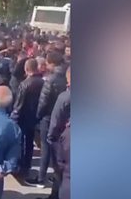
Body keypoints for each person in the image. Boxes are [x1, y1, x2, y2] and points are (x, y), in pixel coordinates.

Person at [29, 51, 67, 189]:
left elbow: (43, 102)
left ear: (51, 63)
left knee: (45, 148)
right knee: (57, 149)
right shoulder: (66, 76)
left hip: (47, 117)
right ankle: (56, 177)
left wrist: (37, 116)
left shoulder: (50, 80)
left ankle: (40, 178)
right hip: (62, 117)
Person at [11, 59, 44, 179]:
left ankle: (20, 167)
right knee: (29, 144)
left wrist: (14, 117)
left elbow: (19, 104)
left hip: (23, 118)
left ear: (26, 69)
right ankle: (27, 166)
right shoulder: (43, 82)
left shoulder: (24, 84)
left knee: (21, 143)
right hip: (35, 117)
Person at [46, 66, 71, 199]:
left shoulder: (65, 97)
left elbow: (55, 122)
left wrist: (50, 139)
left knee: (61, 174)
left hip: (63, 141)